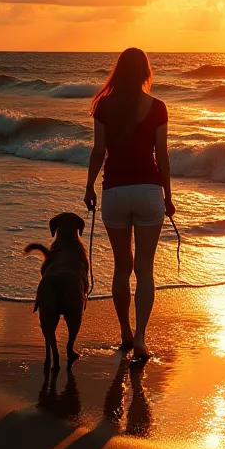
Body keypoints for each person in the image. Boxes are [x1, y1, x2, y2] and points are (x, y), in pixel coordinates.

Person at [84, 48, 175, 361]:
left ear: (119, 71)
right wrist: (169, 196)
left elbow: (99, 152)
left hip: (115, 193)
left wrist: (88, 187)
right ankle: (140, 338)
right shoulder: (158, 107)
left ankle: (124, 331)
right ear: (145, 72)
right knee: (145, 270)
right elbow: (162, 156)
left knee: (122, 267)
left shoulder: (104, 106)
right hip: (149, 192)